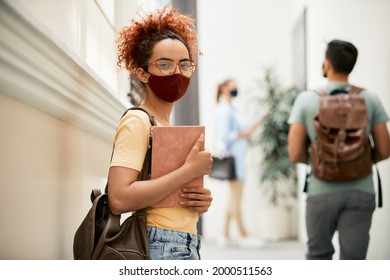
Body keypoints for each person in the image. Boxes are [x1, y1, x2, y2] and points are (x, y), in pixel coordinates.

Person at [108, 6, 213, 260]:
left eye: (185, 64)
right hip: (159, 246)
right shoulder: (137, 121)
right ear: (143, 73)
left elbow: (167, 194)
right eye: (165, 64)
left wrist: (200, 201)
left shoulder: (164, 125)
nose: (177, 73)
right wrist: (189, 171)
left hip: (185, 243)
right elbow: (119, 198)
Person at [288, 39, 390, 260]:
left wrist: (323, 161)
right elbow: (384, 149)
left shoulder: (306, 100)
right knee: (354, 260)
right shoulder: (370, 98)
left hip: (321, 191)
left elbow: (295, 152)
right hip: (361, 190)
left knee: (319, 256)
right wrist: (357, 161)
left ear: (327, 64)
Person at [215, 79, 263, 248]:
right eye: (232, 86)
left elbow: (244, 129)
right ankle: (244, 236)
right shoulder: (225, 111)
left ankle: (224, 235)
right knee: (237, 198)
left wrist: (257, 119)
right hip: (233, 160)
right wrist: (243, 133)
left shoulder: (234, 108)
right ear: (224, 89)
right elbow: (225, 136)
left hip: (239, 158)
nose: (236, 89)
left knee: (233, 198)